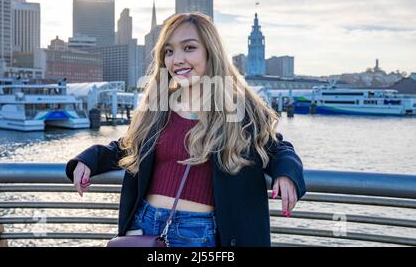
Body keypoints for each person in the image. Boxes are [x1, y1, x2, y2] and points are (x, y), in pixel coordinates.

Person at [65, 12, 306, 247]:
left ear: (211, 52)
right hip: (144, 225)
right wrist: (88, 160)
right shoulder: (158, 106)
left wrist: (286, 174)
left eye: (189, 48)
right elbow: (126, 148)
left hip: (200, 233)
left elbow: (277, 147)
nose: (177, 59)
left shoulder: (239, 108)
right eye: (169, 51)